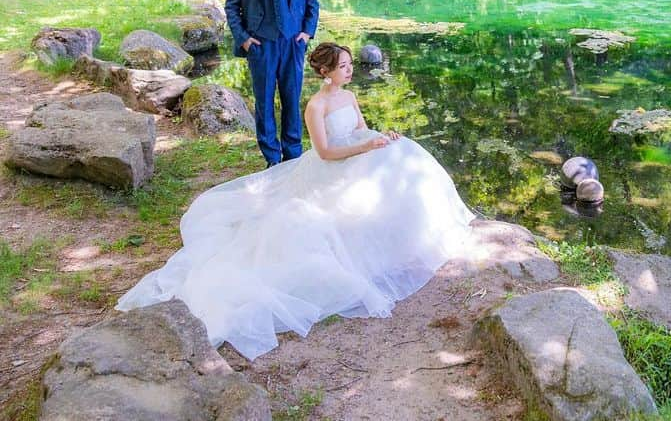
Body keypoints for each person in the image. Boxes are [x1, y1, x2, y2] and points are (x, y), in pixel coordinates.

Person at [116, 43, 476, 360]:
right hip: (332, 167)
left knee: (406, 155)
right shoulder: (315, 106)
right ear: (326, 72)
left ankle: (420, 227)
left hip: (358, 152)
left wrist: (383, 138)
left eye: (351, 65)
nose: (351, 71)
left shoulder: (349, 97)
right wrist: (365, 147)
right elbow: (326, 151)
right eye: (344, 67)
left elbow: (360, 130)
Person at [225, 0, 319, 166]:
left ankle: (293, 158)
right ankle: (272, 160)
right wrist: (244, 40)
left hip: (292, 43)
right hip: (260, 44)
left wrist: (306, 34)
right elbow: (232, 6)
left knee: (292, 100)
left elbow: (312, 0)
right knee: (264, 104)